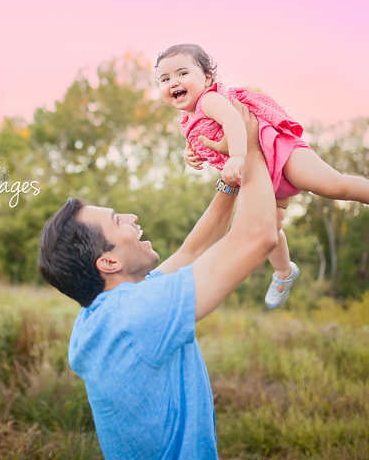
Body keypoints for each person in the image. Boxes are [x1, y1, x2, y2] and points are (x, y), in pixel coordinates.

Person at [38, 102, 278, 460]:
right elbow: (258, 236)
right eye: (119, 221)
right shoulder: (135, 314)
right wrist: (252, 147)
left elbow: (193, 250)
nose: (133, 217)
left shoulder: (105, 312)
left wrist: (229, 184)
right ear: (109, 261)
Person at [156, 43, 369, 308]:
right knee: (270, 227)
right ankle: (284, 273)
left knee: (333, 186)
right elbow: (196, 141)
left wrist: (236, 157)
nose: (173, 82)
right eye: (165, 79)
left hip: (275, 152)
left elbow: (234, 121)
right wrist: (190, 155)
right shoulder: (187, 121)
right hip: (259, 175)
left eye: (182, 73)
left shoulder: (210, 100)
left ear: (207, 78)